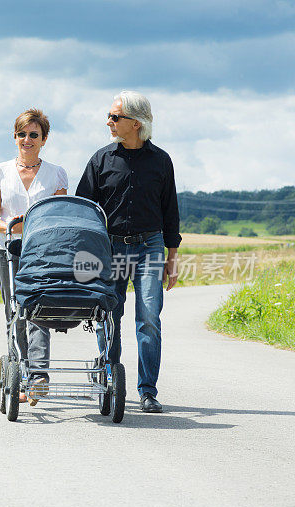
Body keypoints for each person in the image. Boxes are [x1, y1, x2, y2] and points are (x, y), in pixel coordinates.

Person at [75, 90, 181, 413]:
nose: (109, 121)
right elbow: (84, 209)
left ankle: (147, 390)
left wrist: (172, 260)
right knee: (110, 313)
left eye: (114, 117)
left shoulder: (161, 161)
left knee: (149, 315)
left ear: (135, 123)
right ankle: (110, 377)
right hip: (112, 248)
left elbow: (170, 212)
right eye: (109, 116)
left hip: (150, 246)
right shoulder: (100, 160)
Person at [0, 108, 68, 404]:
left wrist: (32, 225)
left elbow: (59, 216)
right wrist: (14, 226)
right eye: (22, 134)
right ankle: (19, 375)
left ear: (44, 139)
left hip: (43, 251)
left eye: (33, 134)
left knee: (39, 311)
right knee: (14, 312)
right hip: (7, 249)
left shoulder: (56, 173)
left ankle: (38, 377)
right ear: (15, 137)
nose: (27, 139)